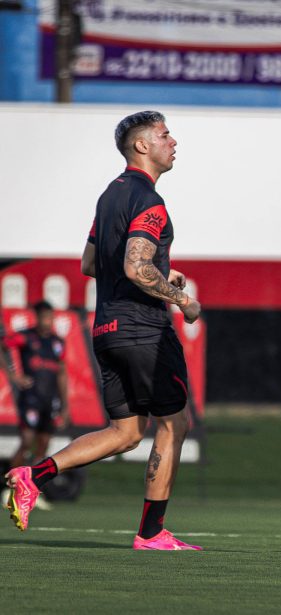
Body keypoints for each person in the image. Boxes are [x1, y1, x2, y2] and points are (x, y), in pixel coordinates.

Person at [4, 110, 203, 551]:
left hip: (107, 328)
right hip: (144, 330)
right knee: (174, 423)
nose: (174, 142)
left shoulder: (109, 197)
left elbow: (91, 265)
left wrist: (159, 277)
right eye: (165, 135)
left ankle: (32, 474)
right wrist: (182, 302)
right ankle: (152, 532)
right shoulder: (149, 201)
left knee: (127, 432)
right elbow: (135, 265)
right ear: (141, 146)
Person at [0, 300, 70, 510]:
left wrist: (65, 406)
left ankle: (30, 489)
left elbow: (62, 373)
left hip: (50, 400)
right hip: (30, 398)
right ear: (37, 317)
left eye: (50, 317)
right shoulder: (26, 337)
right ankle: (9, 490)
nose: (47, 321)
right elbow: (3, 346)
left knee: (43, 444)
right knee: (26, 441)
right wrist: (14, 376)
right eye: (44, 317)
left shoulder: (58, 342)